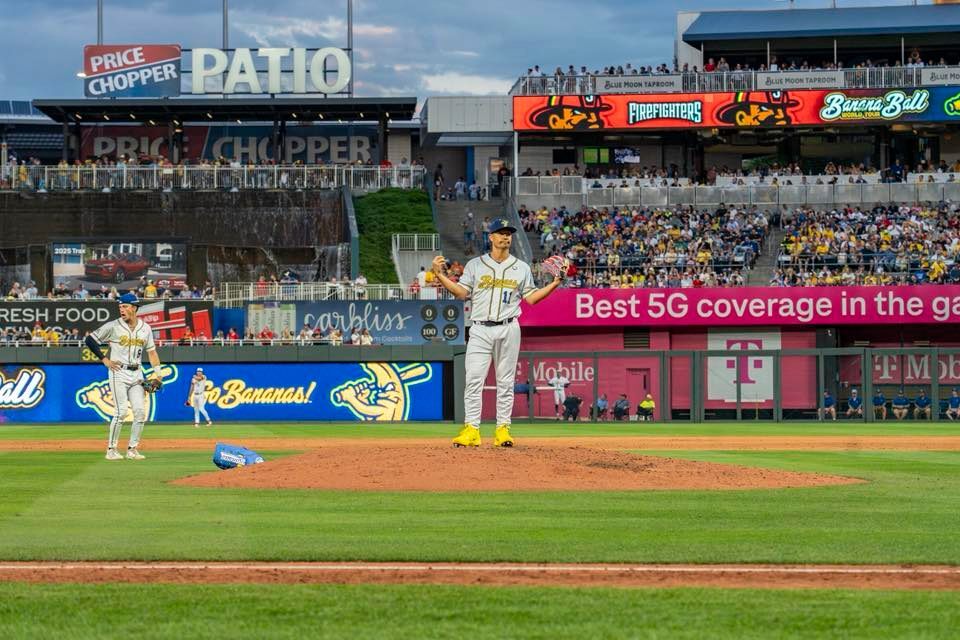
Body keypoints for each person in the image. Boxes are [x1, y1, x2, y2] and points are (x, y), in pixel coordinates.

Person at [431, 217, 565, 448]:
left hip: (509, 327)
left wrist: (554, 283)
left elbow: (531, 298)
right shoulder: (475, 265)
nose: (505, 236)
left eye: (508, 233)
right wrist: (440, 276)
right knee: (473, 380)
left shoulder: (521, 267)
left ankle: (503, 430)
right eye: (500, 232)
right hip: (480, 328)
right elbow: (461, 293)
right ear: (490, 237)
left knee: (505, 382)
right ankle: (471, 430)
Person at [83, 293, 164, 460]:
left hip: (138, 373)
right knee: (121, 412)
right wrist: (104, 359)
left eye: (125, 306)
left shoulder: (145, 328)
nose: (122, 309)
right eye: (120, 306)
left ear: (134, 308)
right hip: (118, 372)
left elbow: (152, 352)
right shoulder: (113, 326)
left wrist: (159, 375)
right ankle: (111, 450)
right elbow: (90, 340)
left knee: (140, 412)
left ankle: (132, 449)